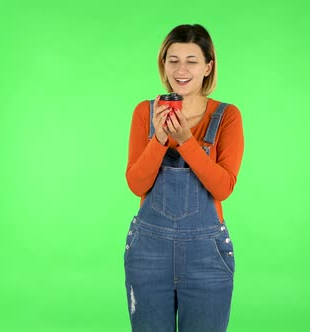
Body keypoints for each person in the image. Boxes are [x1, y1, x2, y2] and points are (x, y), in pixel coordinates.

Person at [124, 24, 245, 332]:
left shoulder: (227, 117)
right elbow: (137, 184)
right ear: (163, 64)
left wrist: (187, 141)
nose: (181, 69)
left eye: (192, 60)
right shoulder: (145, 113)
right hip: (149, 253)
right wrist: (160, 138)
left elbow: (223, 186)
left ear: (208, 66)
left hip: (207, 255)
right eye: (172, 59)